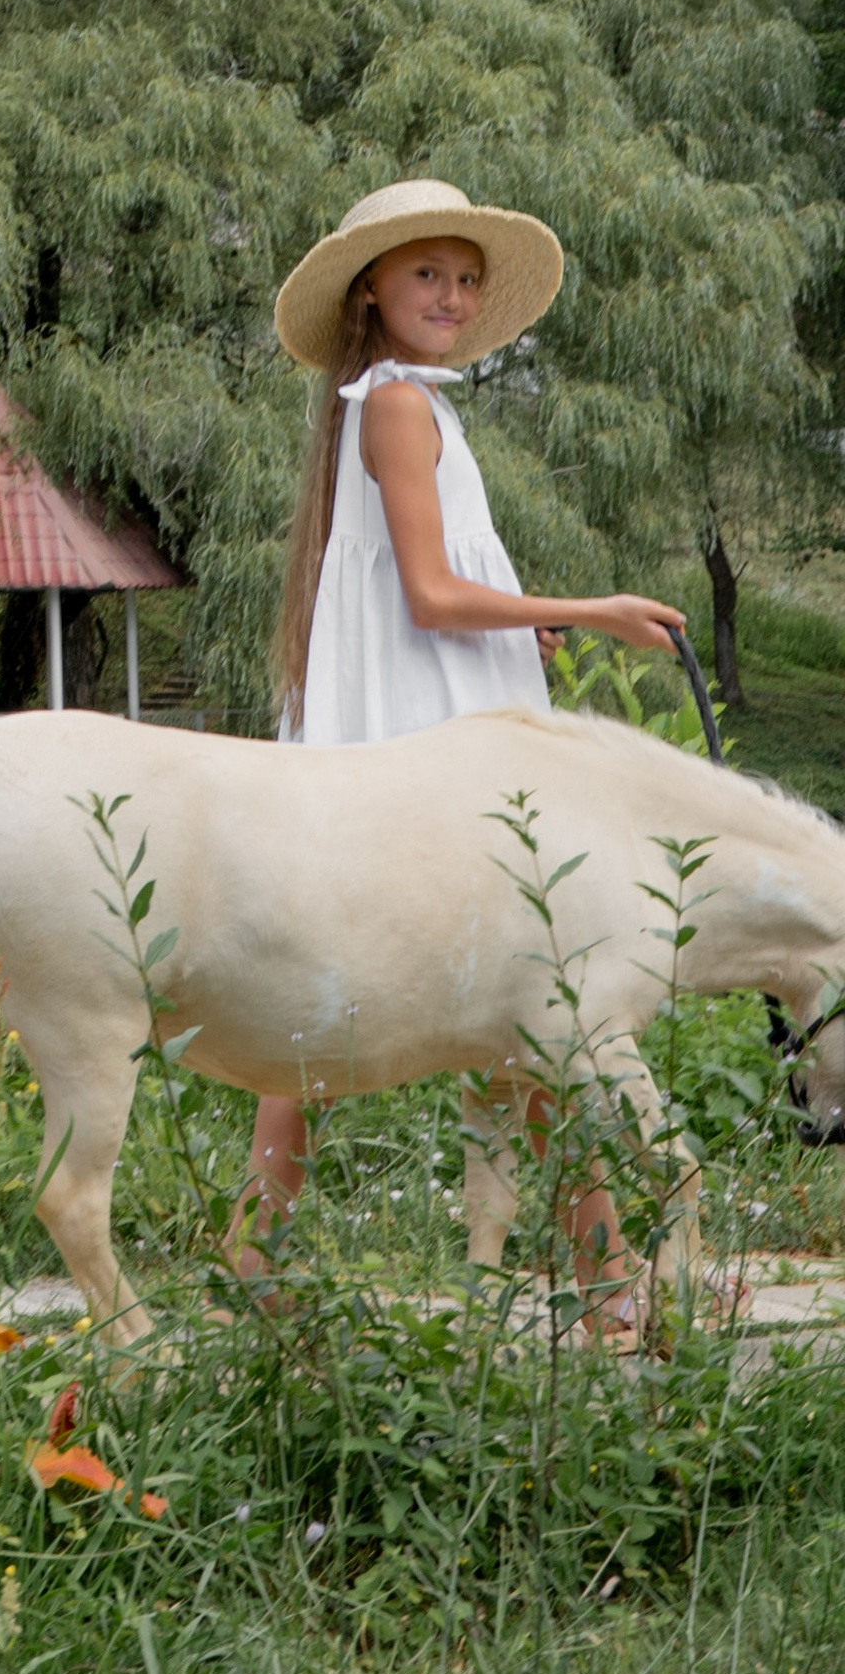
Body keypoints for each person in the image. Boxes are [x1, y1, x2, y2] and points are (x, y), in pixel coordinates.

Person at [225, 175, 687, 1323]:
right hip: (427, 744)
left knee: (485, 1027)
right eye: (426, 272)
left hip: (439, 723)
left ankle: (260, 1269)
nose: (451, 294)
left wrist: (523, 616)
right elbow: (430, 597)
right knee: (518, 1016)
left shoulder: (409, 406)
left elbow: (424, 585)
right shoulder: (392, 406)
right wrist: (588, 611)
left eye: (466, 278)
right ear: (371, 288)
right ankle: (606, 1291)